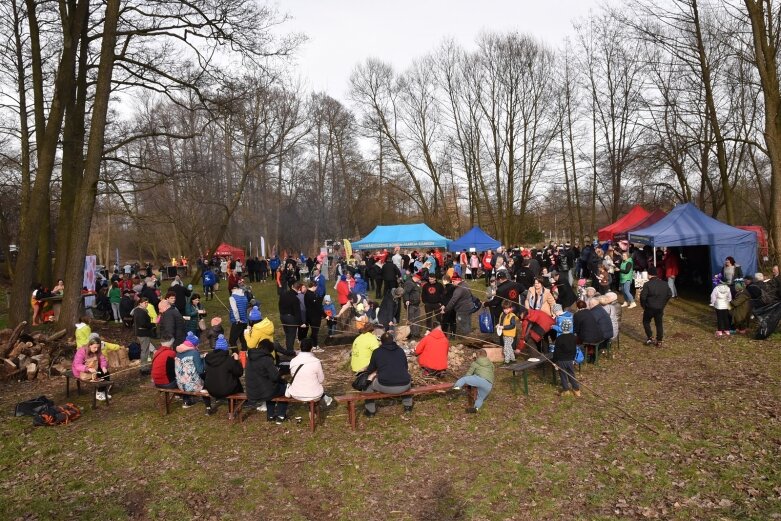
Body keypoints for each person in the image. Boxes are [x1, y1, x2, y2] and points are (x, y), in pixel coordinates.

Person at [363, 332, 413, 417]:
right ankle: (408, 406)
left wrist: (369, 373)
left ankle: (370, 411)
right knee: (405, 377)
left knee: (367, 385)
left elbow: (370, 369)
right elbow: (405, 367)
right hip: (404, 385)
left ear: (381, 342)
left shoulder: (377, 352)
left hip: (385, 385)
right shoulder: (400, 350)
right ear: (393, 340)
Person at [245, 339, 288, 423]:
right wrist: (281, 375)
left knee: (269, 388)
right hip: (264, 391)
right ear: (269, 349)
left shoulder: (250, 358)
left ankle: (270, 415)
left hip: (251, 391)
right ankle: (281, 415)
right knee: (285, 389)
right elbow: (275, 377)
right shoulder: (266, 359)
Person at [287, 338, 333, 407]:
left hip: (296, 393)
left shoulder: (293, 361)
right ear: (311, 348)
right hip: (314, 394)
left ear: (300, 347)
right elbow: (321, 380)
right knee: (315, 389)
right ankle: (314, 411)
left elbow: (293, 375)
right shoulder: (316, 361)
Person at [204, 335, 244, 408]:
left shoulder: (208, 358)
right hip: (225, 390)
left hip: (211, 389)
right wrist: (236, 360)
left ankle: (209, 407)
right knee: (235, 380)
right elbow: (239, 373)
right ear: (226, 348)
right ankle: (232, 409)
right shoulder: (229, 360)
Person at [175, 332, 210, 410]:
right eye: (197, 344)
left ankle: (186, 401)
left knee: (185, 375)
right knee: (205, 375)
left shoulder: (178, 352)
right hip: (192, 385)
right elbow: (200, 370)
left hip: (180, 384)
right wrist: (205, 359)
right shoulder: (194, 353)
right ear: (194, 344)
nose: (198, 346)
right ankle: (208, 406)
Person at [452, 348, 495, 413]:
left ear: (477, 356)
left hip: (479, 379)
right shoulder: (491, 364)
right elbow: (492, 371)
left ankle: (457, 386)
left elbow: (468, 374)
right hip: (489, 384)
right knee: (480, 398)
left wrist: (468, 379)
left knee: (464, 379)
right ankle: (476, 408)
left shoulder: (475, 363)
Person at [639, 266, 672, 347]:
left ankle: (650, 337)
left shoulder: (647, 284)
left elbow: (643, 297)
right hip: (660, 308)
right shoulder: (664, 283)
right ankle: (659, 341)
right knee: (659, 324)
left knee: (646, 322)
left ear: (649, 275)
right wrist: (663, 303)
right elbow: (669, 294)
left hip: (649, 307)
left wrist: (644, 306)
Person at [552, 317, 580, 397]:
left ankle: (566, 390)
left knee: (563, 375)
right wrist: (573, 358)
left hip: (561, 360)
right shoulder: (574, 338)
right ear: (570, 327)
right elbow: (574, 349)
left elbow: (556, 352)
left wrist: (555, 362)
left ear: (561, 327)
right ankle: (576, 389)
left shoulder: (559, 338)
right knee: (571, 374)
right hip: (570, 359)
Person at [227, 284, 249, 350]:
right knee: (243, 338)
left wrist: (237, 319)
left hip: (238, 322)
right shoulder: (244, 296)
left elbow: (235, 309)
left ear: (233, 289)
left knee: (232, 340)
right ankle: (245, 353)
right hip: (245, 321)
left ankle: (235, 355)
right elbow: (245, 308)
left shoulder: (232, 297)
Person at [304, 280, 324, 351]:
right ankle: (314, 346)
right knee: (315, 331)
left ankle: (313, 344)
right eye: (316, 286)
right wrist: (325, 315)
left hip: (310, 315)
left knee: (314, 331)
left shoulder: (307, 293)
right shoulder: (311, 295)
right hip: (314, 317)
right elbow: (318, 307)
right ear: (314, 286)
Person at [403, 272, 423, 338]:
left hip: (416, 305)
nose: (420, 280)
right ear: (416, 277)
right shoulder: (409, 283)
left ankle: (416, 333)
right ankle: (409, 334)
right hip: (411, 305)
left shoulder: (416, 284)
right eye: (419, 279)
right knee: (411, 319)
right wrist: (407, 300)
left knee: (417, 319)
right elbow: (406, 292)